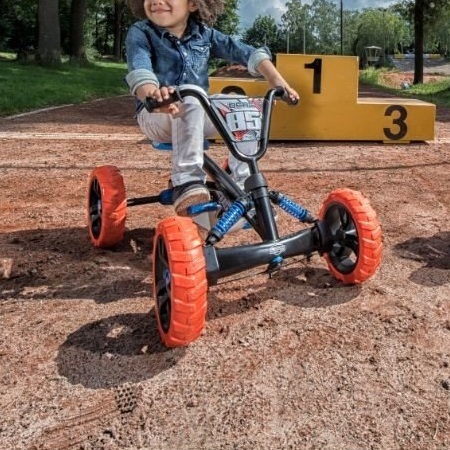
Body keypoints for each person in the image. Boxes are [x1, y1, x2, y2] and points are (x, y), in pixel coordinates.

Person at [125, 0, 299, 216]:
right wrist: (152, 95)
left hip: (197, 110)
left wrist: (278, 82)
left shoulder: (205, 35)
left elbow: (249, 53)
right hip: (157, 114)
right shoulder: (141, 32)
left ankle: (241, 182)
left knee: (242, 104)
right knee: (189, 94)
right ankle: (187, 181)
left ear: (194, 5)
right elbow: (139, 69)